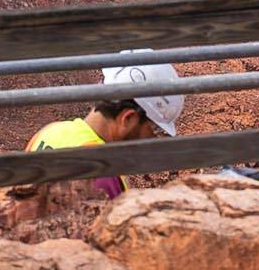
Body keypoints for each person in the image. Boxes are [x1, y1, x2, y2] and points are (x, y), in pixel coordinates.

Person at [20, 64, 186, 200]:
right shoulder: (104, 174)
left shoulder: (50, 132)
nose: (153, 141)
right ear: (127, 119)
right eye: (153, 130)